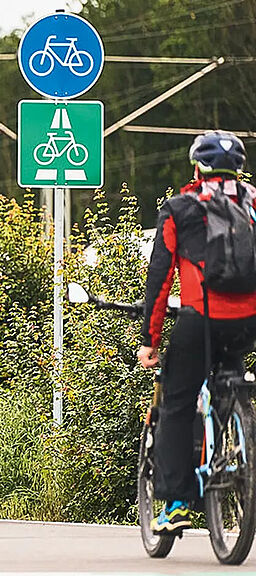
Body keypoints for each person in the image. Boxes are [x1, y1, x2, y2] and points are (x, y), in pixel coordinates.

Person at [140, 131, 256, 533]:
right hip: (248, 322)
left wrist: (149, 341)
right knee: (232, 378)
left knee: (177, 401)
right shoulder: (254, 202)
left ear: (196, 167)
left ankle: (175, 505)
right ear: (239, 168)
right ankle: (239, 443)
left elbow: (160, 280)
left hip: (200, 320)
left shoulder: (179, 208)